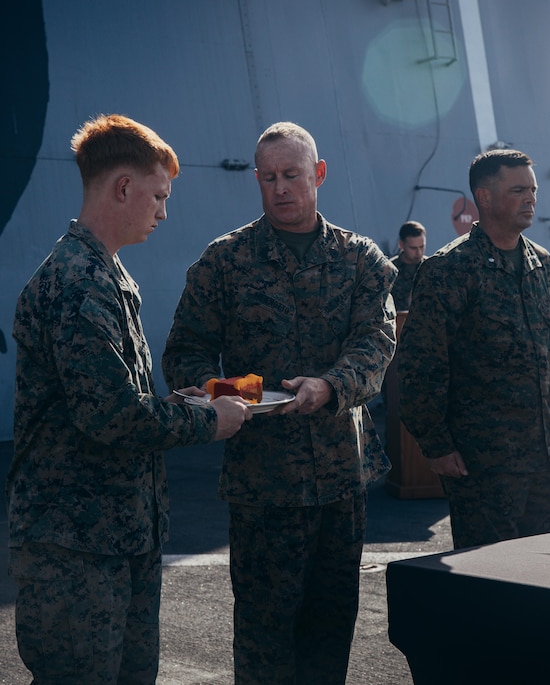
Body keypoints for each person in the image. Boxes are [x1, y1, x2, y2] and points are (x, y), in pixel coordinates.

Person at [7, 114, 253, 684]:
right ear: (123, 187)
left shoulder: (105, 274)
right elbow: (110, 416)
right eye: (158, 196)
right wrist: (208, 421)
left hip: (117, 533)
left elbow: (117, 399)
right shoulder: (77, 283)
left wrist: (185, 405)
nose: (164, 212)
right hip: (75, 545)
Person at [162, 122, 396, 683]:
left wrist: (330, 386)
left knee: (330, 627)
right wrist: (216, 394)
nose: (280, 188)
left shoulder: (360, 259)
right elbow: (186, 350)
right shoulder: (224, 261)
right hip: (262, 485)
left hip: (340, 479)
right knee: (265, 637)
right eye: (268, 178)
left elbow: (377, 342)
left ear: (317, 175)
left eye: (292, 175)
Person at [398, 148, 550, 549]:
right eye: (519, 190)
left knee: (546, 576)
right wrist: (435, 445)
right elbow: (421, 366)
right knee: (490, 583)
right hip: (484, 463)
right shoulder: (449, 270)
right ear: (484, 198)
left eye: (534, 190)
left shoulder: (541, 262)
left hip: (544, 455)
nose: (531, 199)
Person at [390, 220, 427, 310]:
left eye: (422, 247)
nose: (419, 252)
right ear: (401, 245)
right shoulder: (389, 270)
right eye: (413, 248)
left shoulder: (431, 268)